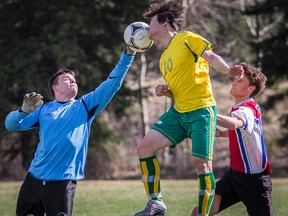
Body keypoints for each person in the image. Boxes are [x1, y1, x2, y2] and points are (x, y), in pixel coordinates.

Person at [133, 1, 244, 216]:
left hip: (202, 111)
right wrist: (167, 92)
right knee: (144, 149)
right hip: (179, 112)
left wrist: (228, 70)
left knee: (202, 166)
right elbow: (178, 91)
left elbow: (211, 57)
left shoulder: (187, 38)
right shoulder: (164, 58)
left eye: (150, 23)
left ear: (164, 23)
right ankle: (156, 202)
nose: (147, 28)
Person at [5, 45, 136, 216]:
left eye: (74, 79)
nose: (73, 80)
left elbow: (113, 82)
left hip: (62, 181)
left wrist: (128, 55)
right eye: (67, 79)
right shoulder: (43, 110)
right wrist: (22, 112)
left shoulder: (85, 105)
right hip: (35, 178)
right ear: (55, 88)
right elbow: (10, 125)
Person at [191, 62, 273, 216]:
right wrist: (222, 133)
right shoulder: (242, 107)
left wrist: (208, 112)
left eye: (240, 81)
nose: (234, 82)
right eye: (236, 79)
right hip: (234, 176)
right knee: (200, 212)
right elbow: (243, 132)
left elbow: (235, 124)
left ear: (250, 89)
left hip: (254, 182)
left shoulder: (247, 109)